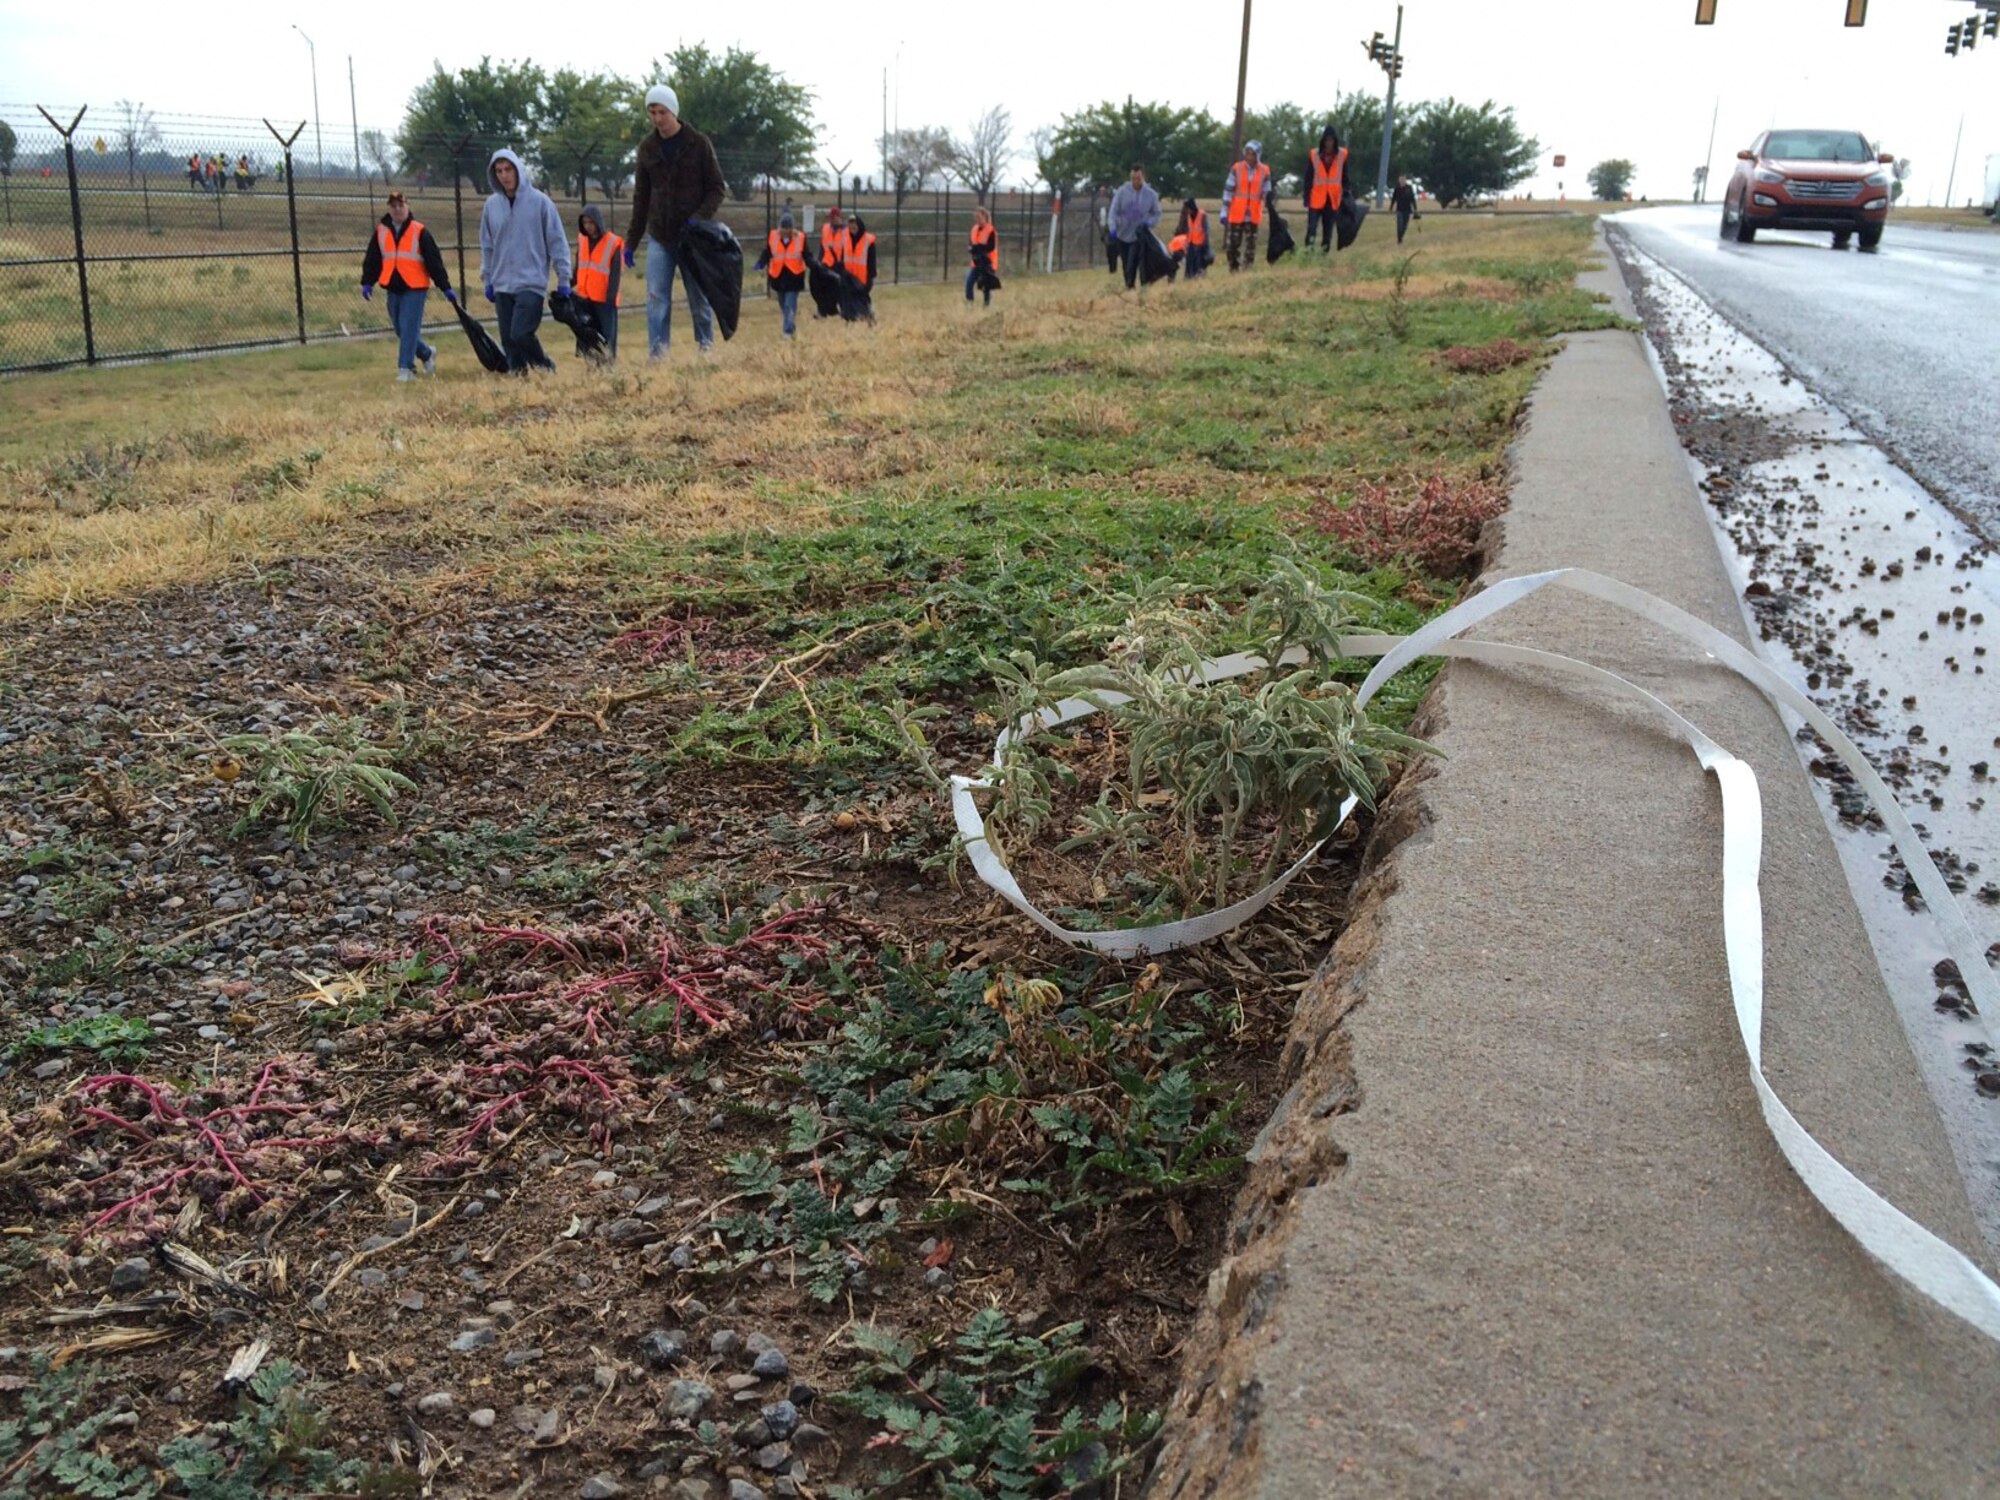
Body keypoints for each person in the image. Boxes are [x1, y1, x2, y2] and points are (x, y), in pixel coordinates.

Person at [623, 83, 727, 360]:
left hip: (693, 238)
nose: (658, 118)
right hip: (660, 235)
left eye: (663, 112)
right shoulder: (647, 149)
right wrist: (631, 241)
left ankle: (705, 350)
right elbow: (641, 197)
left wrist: (699, 219)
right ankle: (658, 355)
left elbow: (717, 188)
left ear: (674, 112)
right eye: (652, 112)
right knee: (656, 299)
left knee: (698, 298)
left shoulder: (699, 144)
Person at [479, 147, 570, 374]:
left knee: (520, 332)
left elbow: (556, 240)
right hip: (502, 283)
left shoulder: (540, 203)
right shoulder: (491, 206)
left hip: (531, 282)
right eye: (499, 171)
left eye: (508, 169)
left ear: (518, 169)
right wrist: (488, 278)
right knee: (508, 340)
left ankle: (545, 367)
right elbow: (487, 245)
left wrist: (563, 277)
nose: (504, 175)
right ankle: (518, 379)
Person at [360, 189, 455, 382]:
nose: (397, 209)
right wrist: (367, 282)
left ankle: (406, 369)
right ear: (389, 208)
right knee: (400, 329)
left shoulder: (419, 231)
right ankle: (427, 353)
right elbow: (373, 259)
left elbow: (434, 261)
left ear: (407, 206)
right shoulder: (381, 231)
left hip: (415, 285)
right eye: (393, 206)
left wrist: (444, 286)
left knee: (409, 327)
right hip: (392, 285)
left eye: (400, 205)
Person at [573, 204, 624, 358]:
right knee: (587, 336)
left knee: (607, 338)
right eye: (585, 222)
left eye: (591, 222)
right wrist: (568, 284)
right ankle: (590, 365)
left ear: (598, 222)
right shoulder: (581, 240)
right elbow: (578, 268)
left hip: (604, 300)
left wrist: (610, 298)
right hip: (584, 298)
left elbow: (615, 275)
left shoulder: (613, 243)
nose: (588, 226)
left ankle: (609, 367)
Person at [1106, 163, 1160, 290]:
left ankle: (1133, 285)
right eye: (1133, 178)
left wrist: (1149, 223)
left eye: (1138, 178)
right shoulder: (1121, 192)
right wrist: (1112, 228)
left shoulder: (1151, 194)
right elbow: (1113, 212)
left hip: (1138, 236)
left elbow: (1156, 213)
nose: (1136, 181)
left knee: (1132, 262)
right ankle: (1129, 286)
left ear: (1143, 177)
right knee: (1125, 263)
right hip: (1122, 234)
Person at [1221, 139, 1272, 271]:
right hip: (1237, 213)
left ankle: (1247, 269)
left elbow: (1267, 191)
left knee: (1250, 246)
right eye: (1248, 153)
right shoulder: (1236, 168)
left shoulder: (1264, 171)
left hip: (1253, 214)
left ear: (1258, 155)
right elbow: (1228, 190)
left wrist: (1269, 202)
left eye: (1253, 153)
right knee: (1232, 244)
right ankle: (1233, 268)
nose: (1250, 156)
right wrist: (1224, 211)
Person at [757, 211, 807, 337]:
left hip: (794, 277)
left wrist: (816, 266)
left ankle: (787, 331)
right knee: (782, 303)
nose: (785, 230)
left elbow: (807, 255)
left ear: (792, 228)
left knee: (789, 304)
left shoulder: (799, 238)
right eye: (783, 228)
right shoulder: (773, 236)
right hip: (778, 277)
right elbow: (767, 252)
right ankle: (790, 325)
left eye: (788, 228)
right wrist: (760, 263)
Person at [1303, 126, 1349, 253]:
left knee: (1328, 231)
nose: (1329, 143)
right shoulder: (1314, 155)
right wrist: (1306, 197)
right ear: (1323, 141)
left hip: (1332, 200)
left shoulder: (1341, 156)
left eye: (1331, 140)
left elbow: (1345, 177)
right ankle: (1307, 254)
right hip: (1316, 198)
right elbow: (1308, 177)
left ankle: (1324, 255)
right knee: (1311, 229)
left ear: (1335, 141)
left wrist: (1347, 193)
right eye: (1327, 140)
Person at [965, 205, 999, 307]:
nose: (977, 220)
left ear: (984, 216)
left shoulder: (990, 230)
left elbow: (991, 247)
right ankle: (969, 302)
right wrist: (971, 249)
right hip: (976, 262)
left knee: (985, 285)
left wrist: (979, 248)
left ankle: (986, 304)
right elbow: (971, 243)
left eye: (979, 218)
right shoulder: (974, 229)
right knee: (969, 282)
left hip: (988, 263)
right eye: (976, 218)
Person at [1176, 198, 1210, 279]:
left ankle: (1198, 279)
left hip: (1200, 244)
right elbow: (1189, 230)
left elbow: (1206, 230)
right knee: (1189, 264)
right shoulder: (1188, 216)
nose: (1186, 210)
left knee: (1199, 264)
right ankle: (1188, 278)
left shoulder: (1202, 215)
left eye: (1187, 208)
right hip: (1190, 243)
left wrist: (1205, 243)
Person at [1392, 174, 1418, 244]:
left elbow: (1412, 199)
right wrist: (1391, 207)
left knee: (1405, 226)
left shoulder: (1409, 188)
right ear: (1399, 180)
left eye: (1403, 179)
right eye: (1401, 179)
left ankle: (1401, 237)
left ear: (1405, 180)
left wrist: (1415, 208)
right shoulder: (1397, 188)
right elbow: (1393, 198)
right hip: (1399, 209)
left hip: (1407, 209)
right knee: (1399, 225)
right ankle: (1399, 239)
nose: (1402, 181)